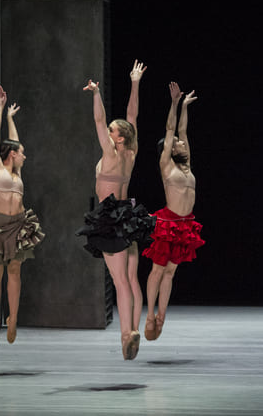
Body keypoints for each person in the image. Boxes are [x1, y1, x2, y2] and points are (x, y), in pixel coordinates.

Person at [76, 60, 155, 360]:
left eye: (112, 132)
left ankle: (126, 333)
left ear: (118, 138)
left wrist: (96, 94)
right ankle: (132, 327)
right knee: (131, 279)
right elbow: (132, 115)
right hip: (128, 213)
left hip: (110, 215)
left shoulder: (110, 152)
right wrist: (135, 83)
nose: (108, 133)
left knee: (120, 280)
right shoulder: (131, 151)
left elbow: (99, 121)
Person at [0, 85, 45, 346]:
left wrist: (13, 120)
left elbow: (15, 140)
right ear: (12, 154)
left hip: (18, 224)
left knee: (15, 271)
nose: (24, 155)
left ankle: (12, 318)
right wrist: (1, 109)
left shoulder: (17, 175)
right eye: (21, 152)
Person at [142, 82, 205, 340]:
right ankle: (148, 316)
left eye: (180, 143)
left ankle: (162, 316)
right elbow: (171, 129)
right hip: (168, 221)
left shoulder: (187, 166)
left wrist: (186, 108)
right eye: (176, 144)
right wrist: (174, 103)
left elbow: (182, 129)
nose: (180, 143)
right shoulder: (167, 166)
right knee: (158, 270)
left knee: (170, 272)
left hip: (185, 223)